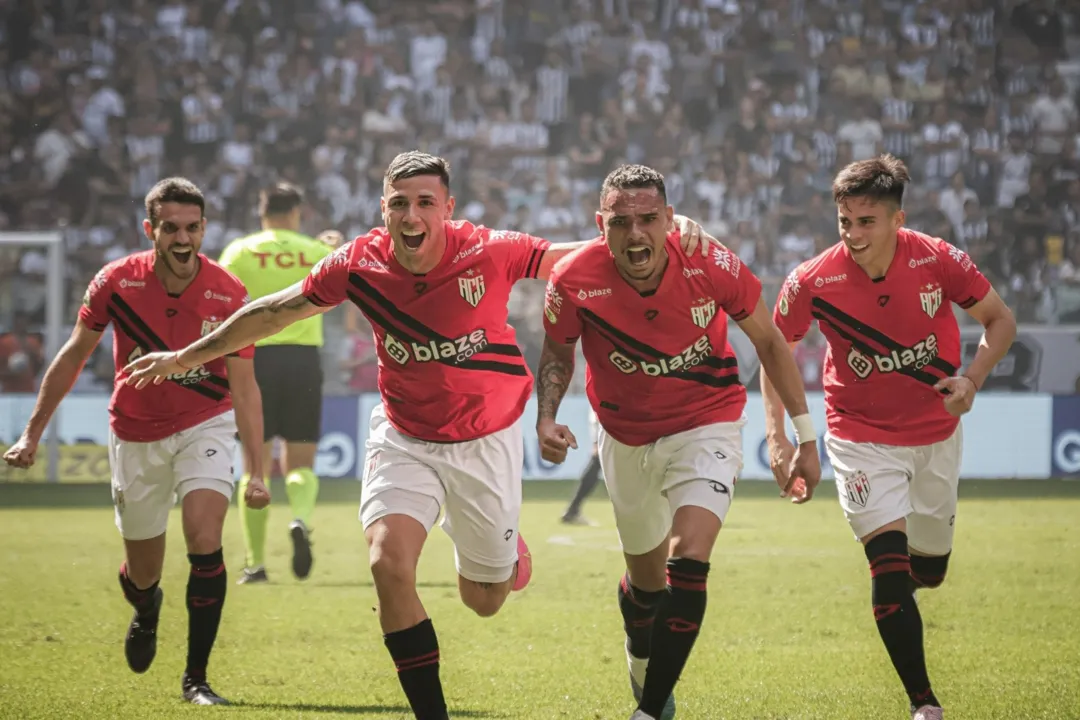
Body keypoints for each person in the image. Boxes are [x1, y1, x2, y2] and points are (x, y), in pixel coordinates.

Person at [121, 152, 715, 719]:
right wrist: (185, 357)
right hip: (404, 434)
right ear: (384, 209)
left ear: (447, 208)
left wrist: (657, 234)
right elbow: (276, 311)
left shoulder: (489, 249)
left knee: (484, 599)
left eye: (424, 202)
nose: (411, 216)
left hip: (486, 440)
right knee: (387, 562)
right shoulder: (358, 262)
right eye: (398, 203)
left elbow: (579, 253)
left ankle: (503, 559)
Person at [535, 164, 822, 720]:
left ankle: (648, 712)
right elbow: (556, 352)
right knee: (646, 591)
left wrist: (799, 435)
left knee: (688, 558)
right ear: (601, 225)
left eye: (648, 219)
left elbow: (769, 340)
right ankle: (641, 646)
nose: (636, 234)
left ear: (670, 218)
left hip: (705, 423)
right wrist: (546, 417)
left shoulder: (711, 263)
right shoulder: (573, 278)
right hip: (623, 435)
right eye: (622, 222)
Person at [762, 155, 1016, 720]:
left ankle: (904, 595)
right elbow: (774, 351)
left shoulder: (937, 258)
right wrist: (779, 436)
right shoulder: (810, 280)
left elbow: (1001, 321)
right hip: (859, 437)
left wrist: (972, 380)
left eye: (867, 221)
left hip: (935, 434)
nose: (853, 234)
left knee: (929, 571)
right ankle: (923, 703)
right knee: (888, 567)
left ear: (898, 219)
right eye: (844, 221)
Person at [2, 177, 270, 706]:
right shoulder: (116, 282)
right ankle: (147, 608)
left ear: (204, 230)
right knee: (143, 572)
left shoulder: (229, 292)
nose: (182, 238)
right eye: (170, 228)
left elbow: (244, 384)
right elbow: (75, 355)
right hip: (135, 432)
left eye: (192, 228)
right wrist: (32, 433)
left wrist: (258, 471)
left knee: (203, 535)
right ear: (150, 230)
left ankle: (197, 679)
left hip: (206, 424)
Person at [218, 182, 333, 584]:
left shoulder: (239, 251)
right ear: (297, 212)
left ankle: (256, 564)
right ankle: (300, 518)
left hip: (254, 361)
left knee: (255, 467)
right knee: (300, 464)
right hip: (303, 361)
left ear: (262, 212)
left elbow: (220, 303)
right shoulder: (315, 252)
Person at [559, 408, 602, 525]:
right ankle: (572, 510)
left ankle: (572, 510)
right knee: (596, 463)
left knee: (597, 464)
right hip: (607, 420)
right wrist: (596, 441)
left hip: (607, 419)